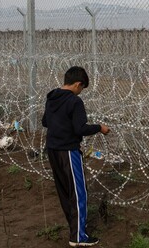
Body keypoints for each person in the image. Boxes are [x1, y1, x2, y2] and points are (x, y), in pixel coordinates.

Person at [42, 66, 110, 247]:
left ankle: (75, 229)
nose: (80, 93)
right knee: (79, 193)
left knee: (65, 192)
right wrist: (99, 128)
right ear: (78, 84)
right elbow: (80, 128)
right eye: (82, 89)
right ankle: (79, 237)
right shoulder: (74, 101)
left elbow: (45, 122)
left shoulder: (52, 97)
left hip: (52, 150)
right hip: (68, 152)